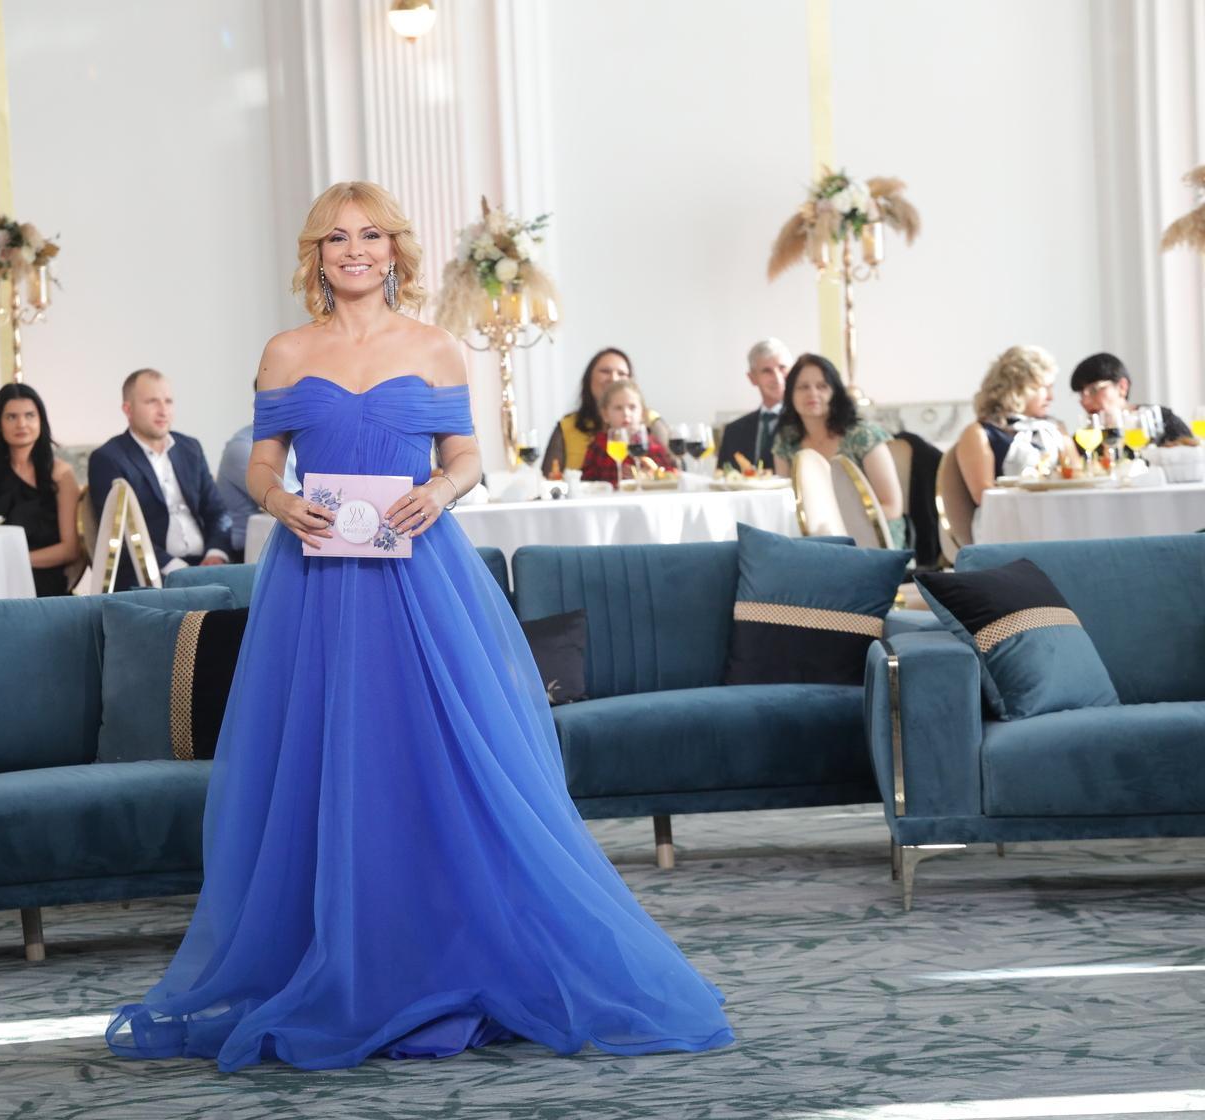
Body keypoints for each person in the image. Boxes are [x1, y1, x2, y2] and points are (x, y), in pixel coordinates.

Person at [105, 180, 732, 1072]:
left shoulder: (436, 347)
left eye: (370, 235)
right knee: (326, 761)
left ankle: (449, 951)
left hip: (418, 574)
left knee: (437, 761)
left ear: (395, 250)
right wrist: (282, 504)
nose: (355, 250)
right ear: (316, 256)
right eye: (336, 238)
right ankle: (340, 960)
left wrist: (438, 492)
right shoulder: (286, 351)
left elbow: (467, 457)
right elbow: (262, 467)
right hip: (318, 582)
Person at [87, 369, 232, 586]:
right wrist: (181, 571)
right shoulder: (108, 459)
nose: (163, 411)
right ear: (128, 409)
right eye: (152, 402)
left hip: (206, 564)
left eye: (168, 401)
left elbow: (217, 511)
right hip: (151, 573)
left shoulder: (190, 448)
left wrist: (216, 554)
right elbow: (123, 534)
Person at [772, 353, 907, 547]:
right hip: (814, 540)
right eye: (803, 387)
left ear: (835, 392)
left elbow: (892, 507)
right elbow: (786, 503)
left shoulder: (864, 435)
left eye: (822, 386)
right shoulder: (786, 441)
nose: (812, 393)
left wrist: (836, 523)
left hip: (874, 542)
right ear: (790, 394)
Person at [0, 383, 80, 597]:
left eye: (30, 415)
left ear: (41, 421)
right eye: (11, 417)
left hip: (44, 586)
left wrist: (15, 561)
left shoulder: (61, 474)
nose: (21, 424)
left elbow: (71, 549)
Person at [955, 345, 1075, 507]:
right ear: (1019, 388)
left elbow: (1077, 478)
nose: (1051, 397)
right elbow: (984, 495)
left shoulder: (1055, 429)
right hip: (1010, 517)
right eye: (1045, 388)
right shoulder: (979, 433)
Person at [541, 347, 670, 478]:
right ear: (589, 378)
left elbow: (671, 470)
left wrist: (651, 475)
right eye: (605, 371)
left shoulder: (651, 423)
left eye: (621, 373)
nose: (614, 378)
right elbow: (549, 478)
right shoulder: (570, 427)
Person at [216, 378, 300, 563]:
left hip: (283, 542)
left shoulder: (297, 443)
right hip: (248, 553)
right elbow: (289, 500)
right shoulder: (243, 447)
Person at [1069, 352, 1194, 447]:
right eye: (1081, 394)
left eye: (1093, 390)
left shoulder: (1161, 420)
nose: (1085, 401)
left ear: (1122, 387)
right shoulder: (1086, 439)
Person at [577, 379, 676, 487]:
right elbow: (585, 481)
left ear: (642, 414)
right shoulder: (598, 446)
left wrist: (650, 475)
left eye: (632, 407)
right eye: (618, 408)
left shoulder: (651, 446)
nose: (626, 413)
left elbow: (672, 477)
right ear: (605, 415)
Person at [716, 338, 791, 471]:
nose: (777, 378)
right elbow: (722, 477)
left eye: (782, 368)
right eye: (767, 371)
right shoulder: (733, 431)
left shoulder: (805, 424)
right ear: (752, 378)